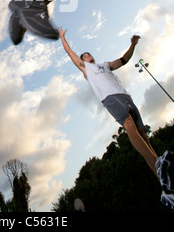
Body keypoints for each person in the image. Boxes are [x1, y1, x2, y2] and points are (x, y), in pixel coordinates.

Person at [58, 27, 174, 210]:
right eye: (84, 55)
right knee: (127, 123)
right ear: (83, 60)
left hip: (125, 96)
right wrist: (63, 38)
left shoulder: (105, 65)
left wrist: (132, 45)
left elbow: (123, 60)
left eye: (89, 54)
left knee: (143, 136)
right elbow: (70, 53)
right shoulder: (85, 68)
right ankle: (157, 163)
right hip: (110, 98)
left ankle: (166, 189)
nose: (87, 56)